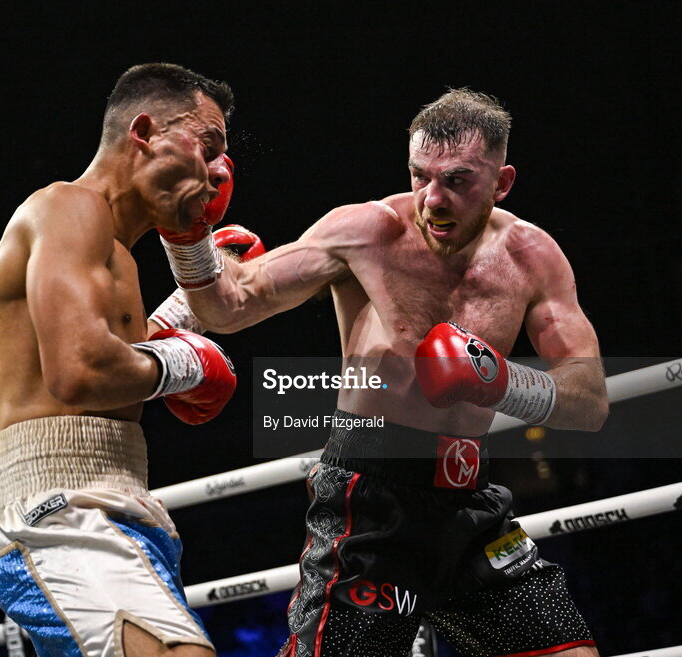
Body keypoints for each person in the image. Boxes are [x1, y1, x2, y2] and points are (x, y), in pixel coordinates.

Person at [160, 89, 609, 657]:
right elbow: (228, 306)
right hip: (372, 500)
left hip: (471, 502)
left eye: (458, 181)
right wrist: (188, 237)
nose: (433, 199)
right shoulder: (366, 232)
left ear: (502, 183)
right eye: (420, 176)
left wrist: (500, 382)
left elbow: (589, 401)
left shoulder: (534, 257)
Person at [0, 63, 248, 657]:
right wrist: (188, 360)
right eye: (208, 145)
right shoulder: (68, 207)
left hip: (114, 503)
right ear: (144, 132)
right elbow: (79, 372)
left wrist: (181, 317)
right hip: (63, 509)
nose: (220, 170)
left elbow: (108, 354)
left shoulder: (112, 251)